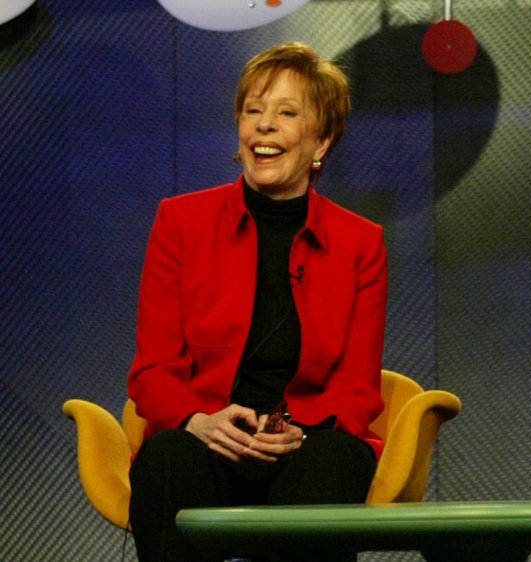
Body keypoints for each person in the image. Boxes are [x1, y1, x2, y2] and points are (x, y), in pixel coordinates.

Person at [127, 42, 387, 562]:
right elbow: (152, 370)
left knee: (334, 460)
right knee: (169, 456)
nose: (263, 127)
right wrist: (200, 421)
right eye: (253, 111)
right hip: (205, 438)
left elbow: (357, 387)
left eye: (287, 113)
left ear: (322, 140)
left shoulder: (361, 242)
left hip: (304, 445)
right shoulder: (181, 222)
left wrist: (296, 434)